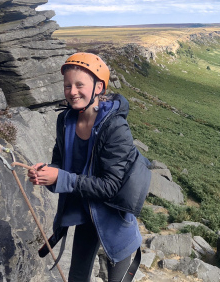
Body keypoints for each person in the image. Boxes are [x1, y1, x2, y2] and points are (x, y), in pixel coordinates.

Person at [28, 52, 149, 282]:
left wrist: (60, 178)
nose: (72, 92)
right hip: (86, 216)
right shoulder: (65, 121)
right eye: (67, 86)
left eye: (79, 85)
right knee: (77, 278)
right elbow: (60, 165)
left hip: (115, 219)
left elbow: (110, 186)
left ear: (98, 87)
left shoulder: (116, 127)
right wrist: (45, 173)